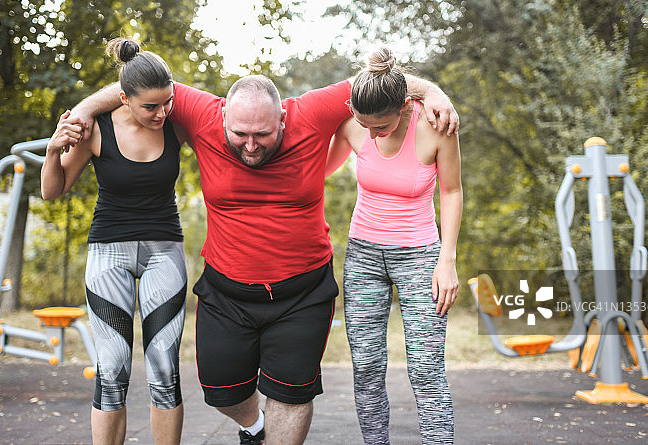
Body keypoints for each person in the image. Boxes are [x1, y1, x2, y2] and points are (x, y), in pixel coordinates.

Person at [70, 65, 458, 445]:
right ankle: (255, 429)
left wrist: (431, 91)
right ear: (223, 116)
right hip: (226, 291)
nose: (251, 145)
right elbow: (139, 80)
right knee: (221, 389)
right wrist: (86, 110)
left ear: (283, 121)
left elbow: (377, 79)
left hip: (302, 292)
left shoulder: (311, 112)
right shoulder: (201, 112)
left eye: (263, 134)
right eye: (240, 134)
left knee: (292, 394)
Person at [41, 38, 187, 445]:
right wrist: (54, 151)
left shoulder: (176, 123)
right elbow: (53, 191)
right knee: (112, 368)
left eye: (167, 103)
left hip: (164, 250)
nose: (161, 113)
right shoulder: (95, 130)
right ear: (124, 99)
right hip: (109, 250)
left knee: (163, 365)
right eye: (150, 107)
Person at [325, 46, 462, 444]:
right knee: (366, 366)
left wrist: (446, 260)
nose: (370, 134)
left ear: (404, 107)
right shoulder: (355, 123)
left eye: (380, 127)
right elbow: (316, 172)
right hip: (363, 256)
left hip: (421, 256)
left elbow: (452, 192)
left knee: (425, 367)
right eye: (364, 124)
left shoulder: (435, 127)